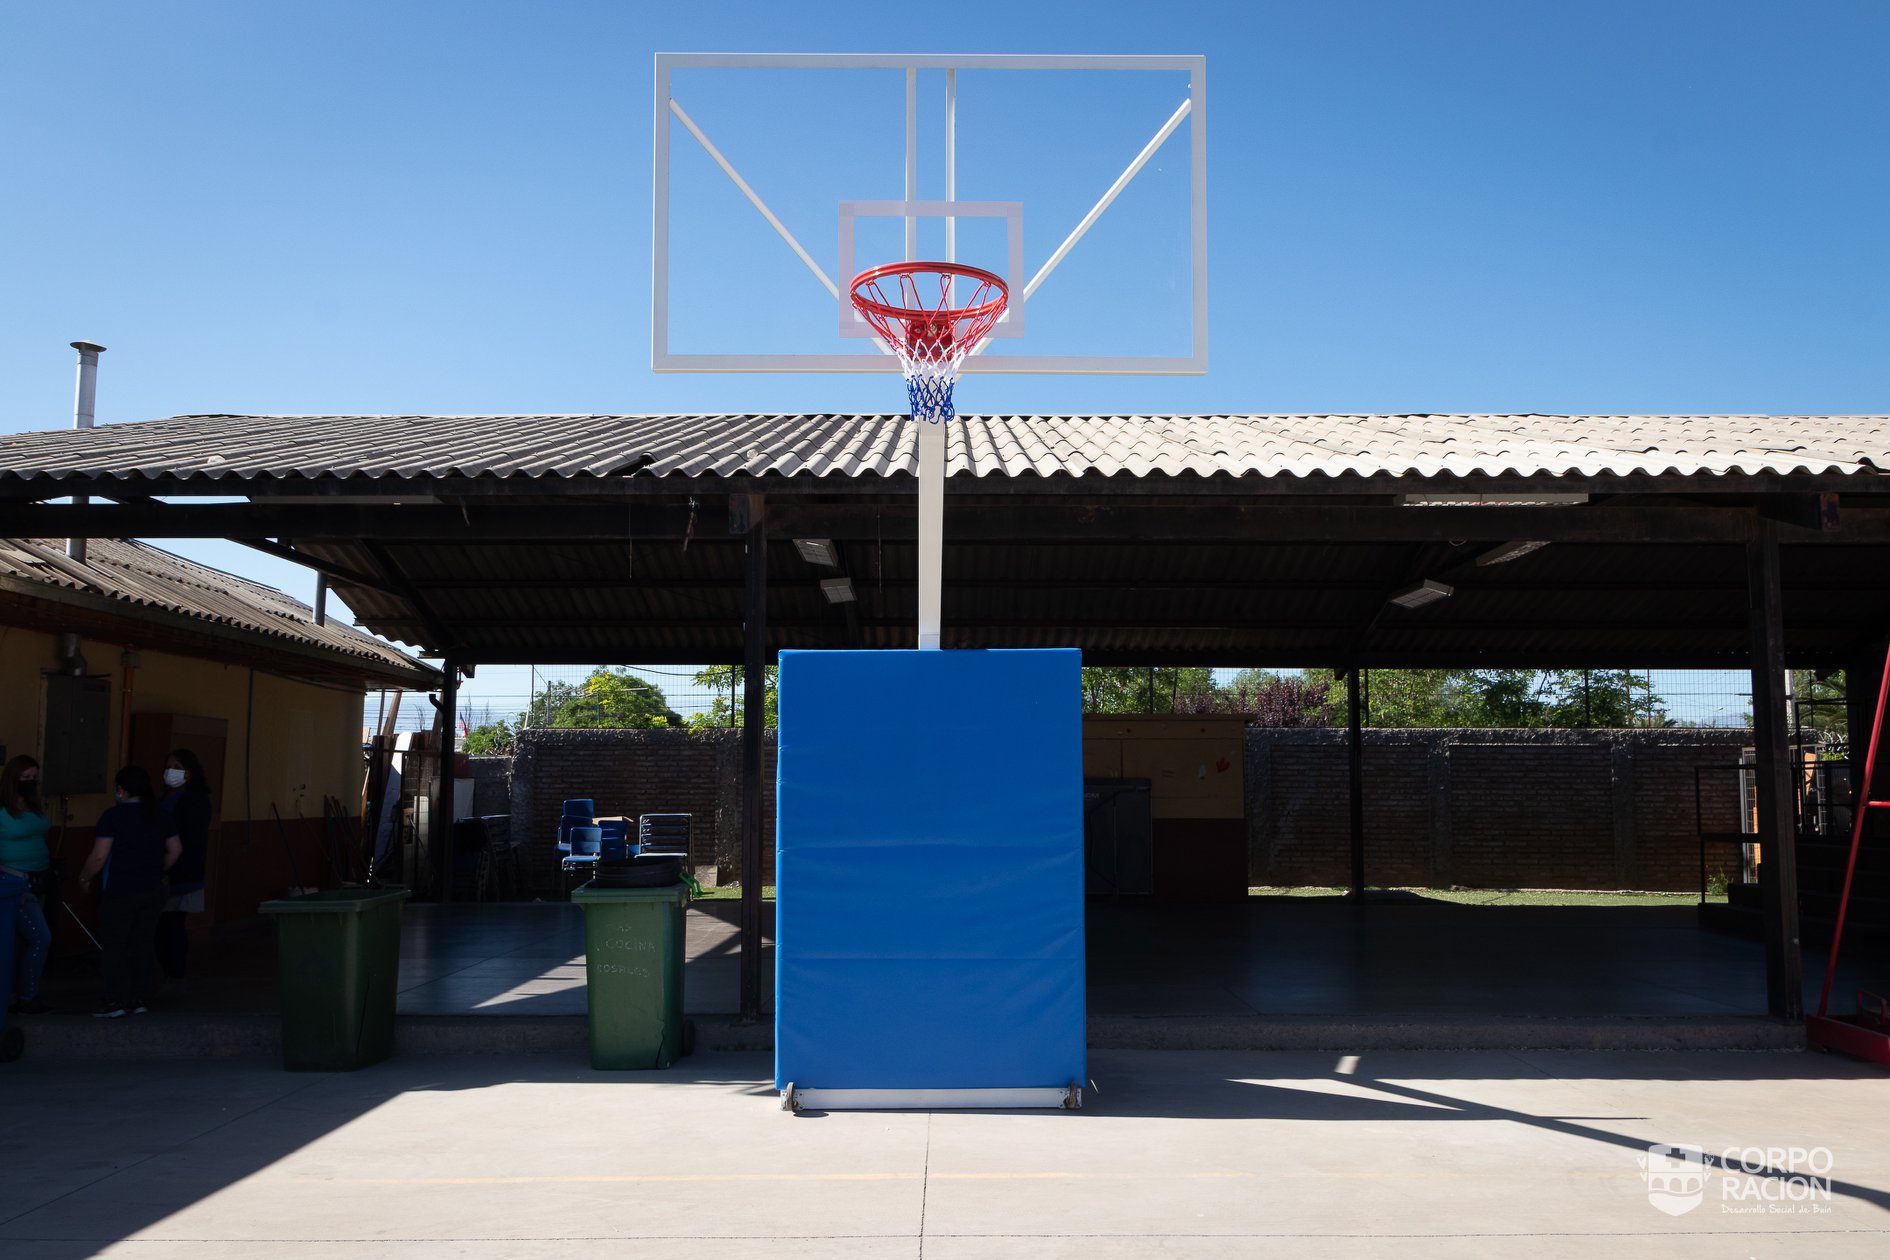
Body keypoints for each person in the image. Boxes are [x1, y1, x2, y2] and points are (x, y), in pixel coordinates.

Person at [79, 767, 180, 1018]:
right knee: (143, 944)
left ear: (121, 790)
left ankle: (113, 1002)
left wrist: (84, 877)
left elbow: (100, 855)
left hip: (119, 890)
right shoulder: (161, 815)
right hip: (152, 889)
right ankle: (138, 999)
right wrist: (158, 871)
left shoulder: (113, 817)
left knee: (114, 946)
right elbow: (175, 849)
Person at [0, 755, 53, 1015]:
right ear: (13, 779)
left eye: (34, 778)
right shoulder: (2, 809)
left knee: (21, 941)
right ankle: (27, 995)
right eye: (26, 778)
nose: (31, 782)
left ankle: (13, 995)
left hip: (39, 878)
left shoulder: (34, 804)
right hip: (14, 881)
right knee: (40, 937)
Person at [156, 749, 213, 980]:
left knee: (172, 923)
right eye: (168, 766)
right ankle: (170, 972)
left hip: (180, 870)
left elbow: (190, 839)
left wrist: (170, 867)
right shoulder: (168, 797)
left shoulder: (193, 800)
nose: (170, 772)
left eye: (176, 767)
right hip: (168, 866)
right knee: (166, 924)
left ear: (189, 772)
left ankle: (174, 973)